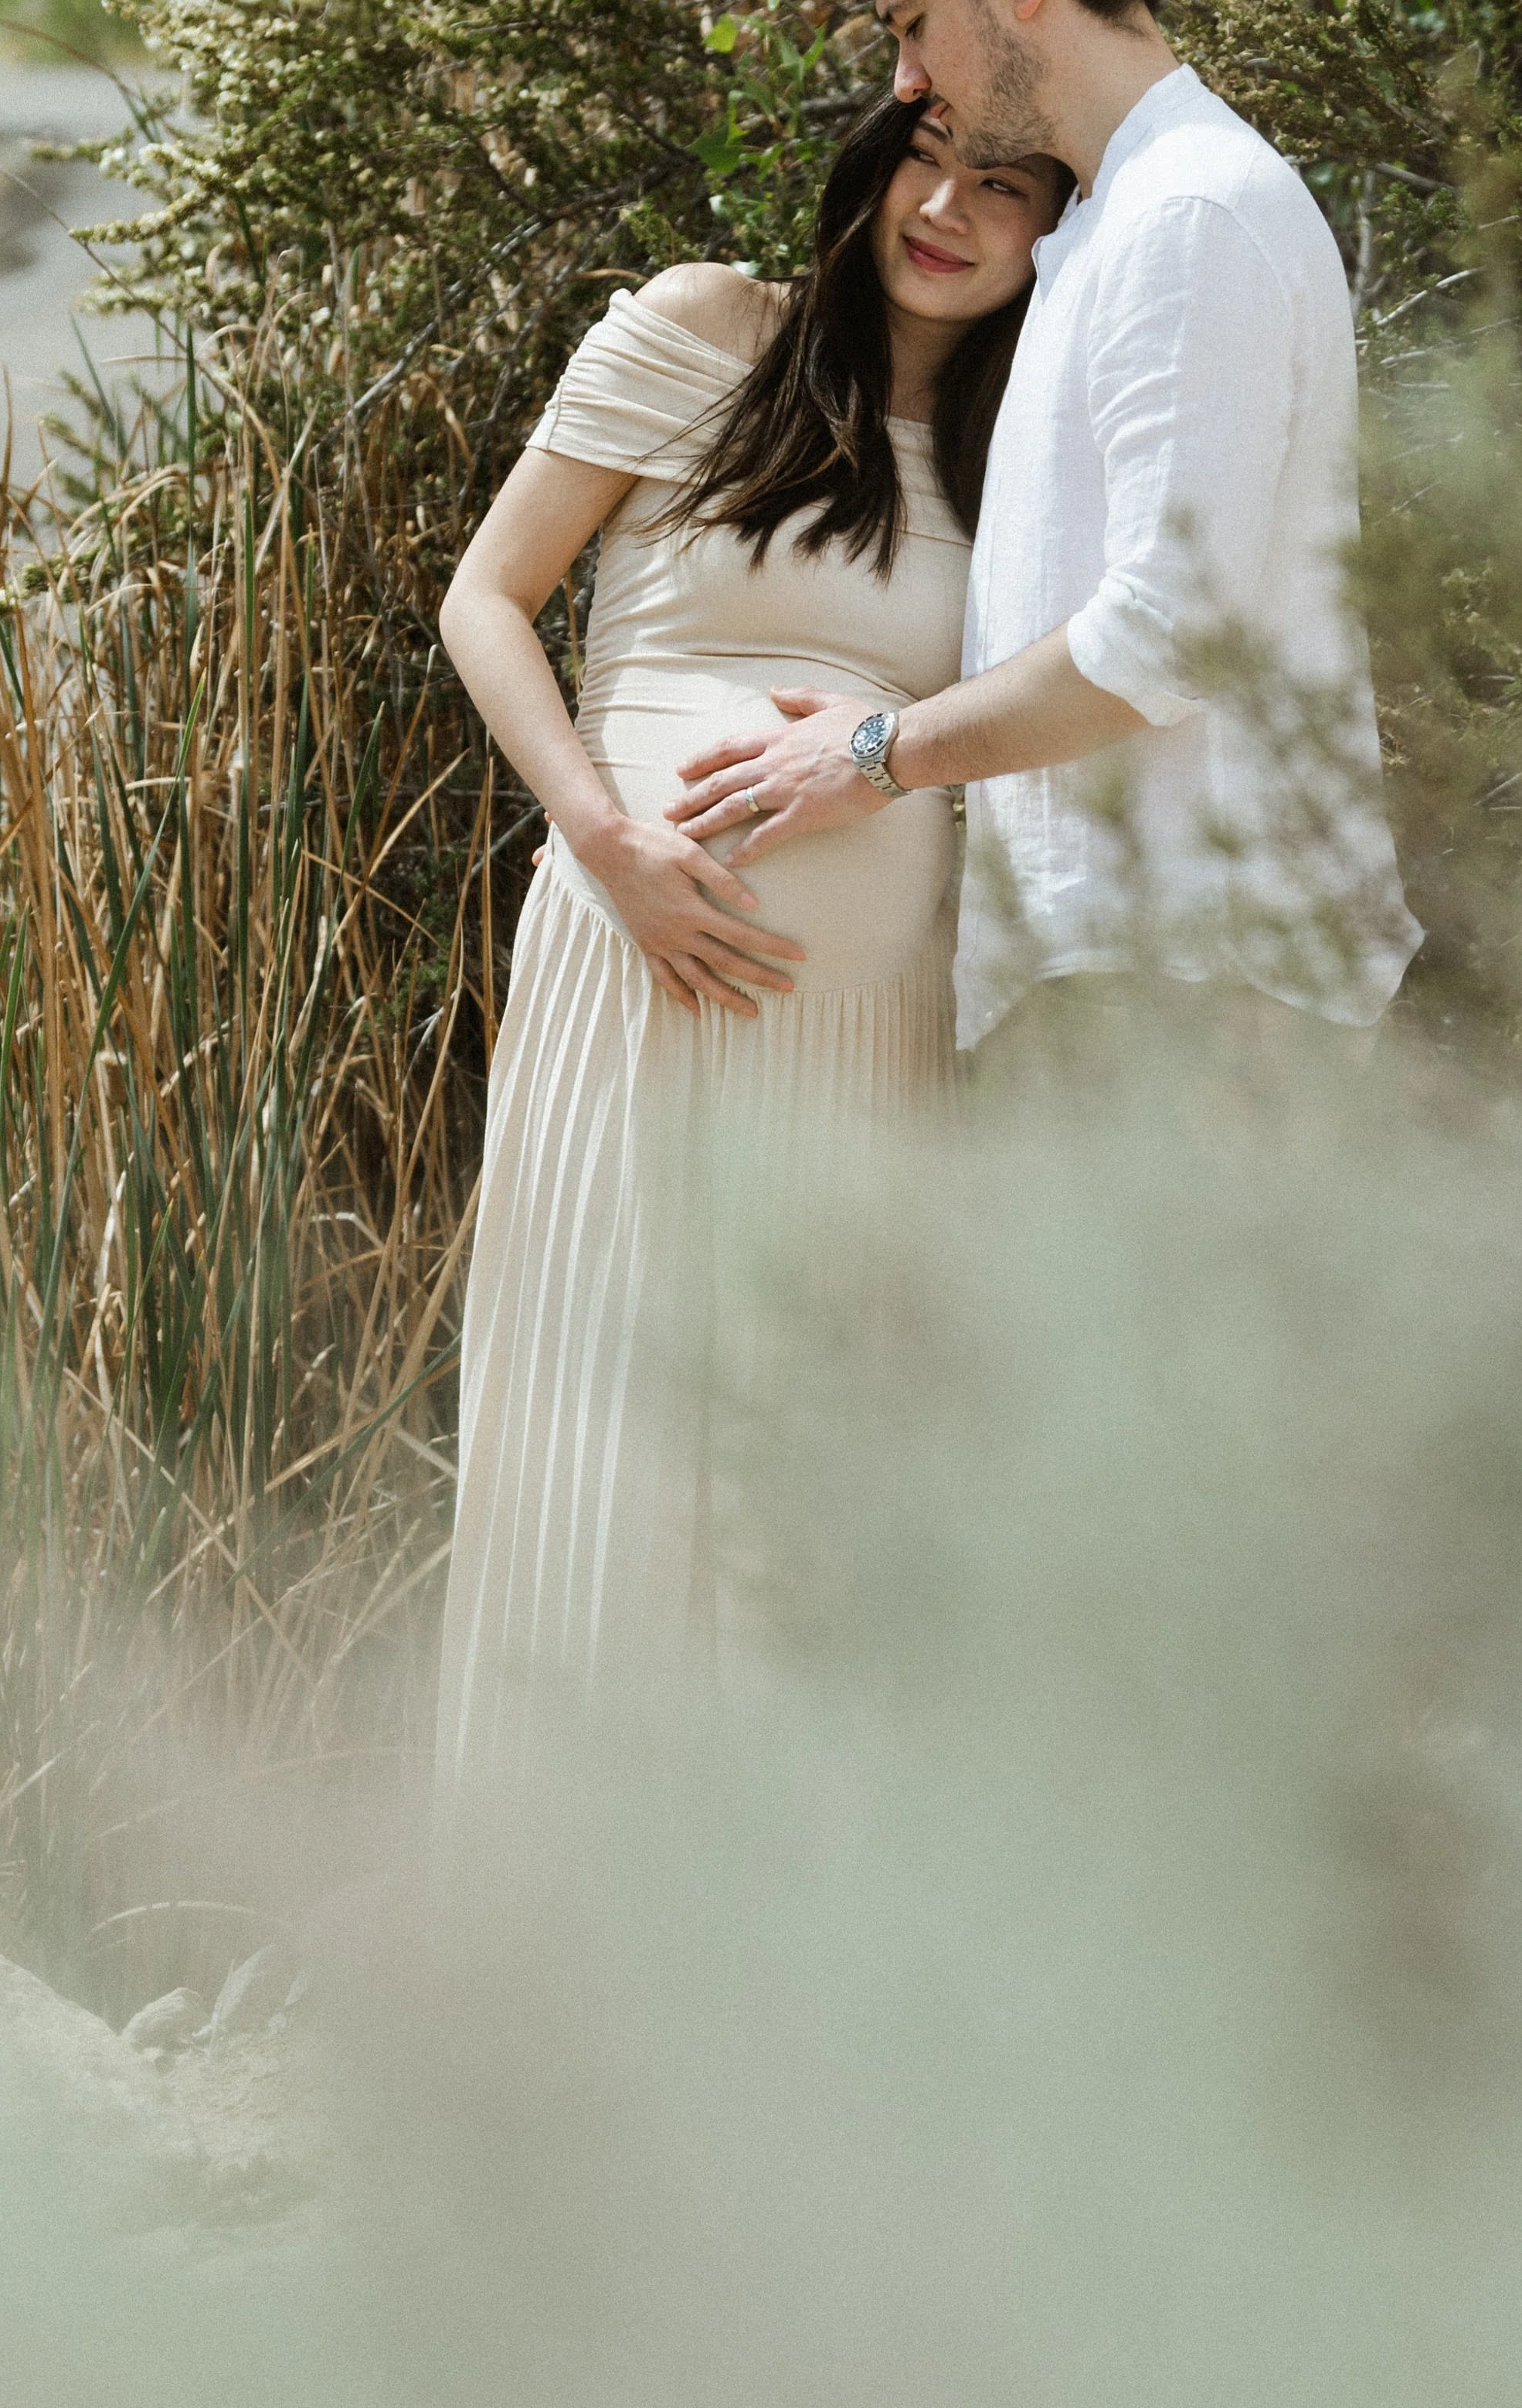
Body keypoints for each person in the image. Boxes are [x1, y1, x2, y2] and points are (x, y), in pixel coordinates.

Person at [433, 95, 1067, 1790]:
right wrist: (606, 837)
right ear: (869, 165)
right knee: (602, 1407)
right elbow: (486, 597)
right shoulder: (709, 327)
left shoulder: (1029, 450)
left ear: (1050, 230)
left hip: (867, 1021)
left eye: (1004, 187)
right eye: (926, 160)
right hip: (628, 962)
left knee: (805, 1450)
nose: (949, 209)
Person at [667, 0, 1422, 1061]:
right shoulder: (1117, 221)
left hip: (1188, 979)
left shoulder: (1191, 214)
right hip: (1129, 976)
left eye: (914, 23)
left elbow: (1170, 633)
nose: (906, 80)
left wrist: (873, 755)